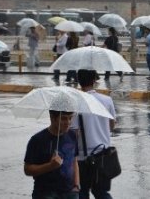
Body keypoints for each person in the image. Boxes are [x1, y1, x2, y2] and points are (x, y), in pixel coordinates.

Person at [71, 69, 116, 199]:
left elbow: (74, 132)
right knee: (102, 192)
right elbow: (112, 125)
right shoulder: (107, 100)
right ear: (94, 81)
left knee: (82, 192)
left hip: (82, 157)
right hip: (104, 155)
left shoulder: (75, 102)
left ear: (79, 81)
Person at [24, 109, 80, 199]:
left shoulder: (72, 135)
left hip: (71, 192)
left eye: (70, 118)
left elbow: (74, 161)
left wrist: (76, 185)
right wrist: (50, 166)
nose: (68, 122)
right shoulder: (37, 140)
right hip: (46, 193)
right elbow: (27, 170)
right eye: (64, 119)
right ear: (52, 118)